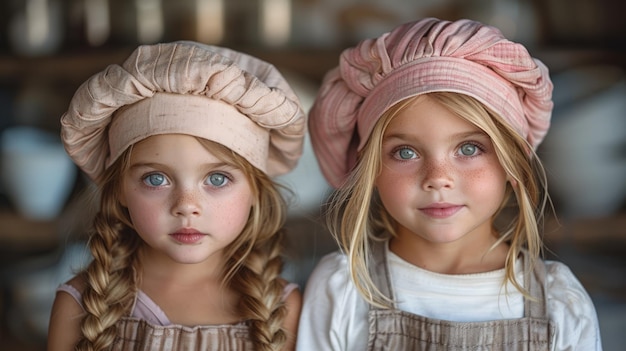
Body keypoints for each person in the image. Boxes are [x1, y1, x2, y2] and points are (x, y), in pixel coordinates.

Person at [297, 18, 602, 350]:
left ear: (512, 164)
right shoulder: (344, 290)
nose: (437, 178)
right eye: (405, 152)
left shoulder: (559, 302)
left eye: (469, 149)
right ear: (370, 170)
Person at [47, 41, 306, 351]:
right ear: (119, 191)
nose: (186, 206)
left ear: (256, 192)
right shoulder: (79, 307)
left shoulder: (281, 309)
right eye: (156, 179)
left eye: (217, 178)